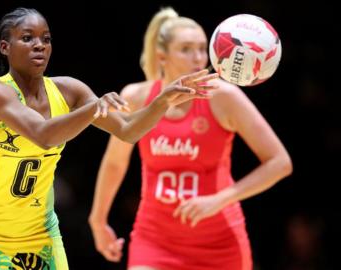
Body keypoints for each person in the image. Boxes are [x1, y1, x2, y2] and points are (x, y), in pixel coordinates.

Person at [0, 7, 218, 270]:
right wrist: (95, 107)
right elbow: (43, 135)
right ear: (5, 47)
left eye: (46, 39)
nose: (39, 45)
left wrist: (163, 100)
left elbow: (128, 129)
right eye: (27, 38)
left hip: (42, 236)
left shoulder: (69, 90)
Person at [88, 7, 293, 270]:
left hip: (220, 242)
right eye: (186, 49)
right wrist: (98, 220)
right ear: (162, 56)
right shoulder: (136, 97)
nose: (198, 57)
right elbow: (115, 163)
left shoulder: (224, 97)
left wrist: (219, 199)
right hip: (155, 240)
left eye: (201, 48)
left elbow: (280, 162)